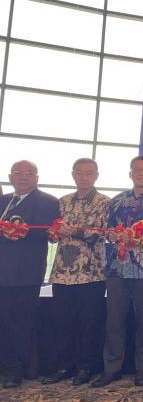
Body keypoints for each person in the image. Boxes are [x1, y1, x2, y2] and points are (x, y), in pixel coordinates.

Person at [91, 155, 143, 388]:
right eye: (137, 169)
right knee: (114, 321)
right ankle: (112, 368)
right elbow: (107, 232)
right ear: (130, 174)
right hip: (117, 269)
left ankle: (142, 369)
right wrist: (113, 235)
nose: (141, 173)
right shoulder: (116, 201)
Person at [43, 158, 110, 386]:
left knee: (89, 324)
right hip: (62, 273)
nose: (84, 177)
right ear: (73, 175)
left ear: (96, 175)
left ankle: (86, 367)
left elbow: (102, 232)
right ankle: (63, 366)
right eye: (79, 172)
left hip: (91, 273)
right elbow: (52, 235)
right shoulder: (62, 202)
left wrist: (74, 231)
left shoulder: (104, 202)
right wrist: (55, 232)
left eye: (89, 173)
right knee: (62, 323)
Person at [0, 160, 60, 388]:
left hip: (26, 273)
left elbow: (43, 233)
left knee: (23, 322)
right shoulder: (3, 200)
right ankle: (8, 366)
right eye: (18, 173)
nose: (23, 177)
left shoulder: (48, 202)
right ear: (10, 177)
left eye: (28, 173)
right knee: (4, 322)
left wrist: (15, 232)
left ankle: (23, 368)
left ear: (37, 178)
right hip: (2, 272)